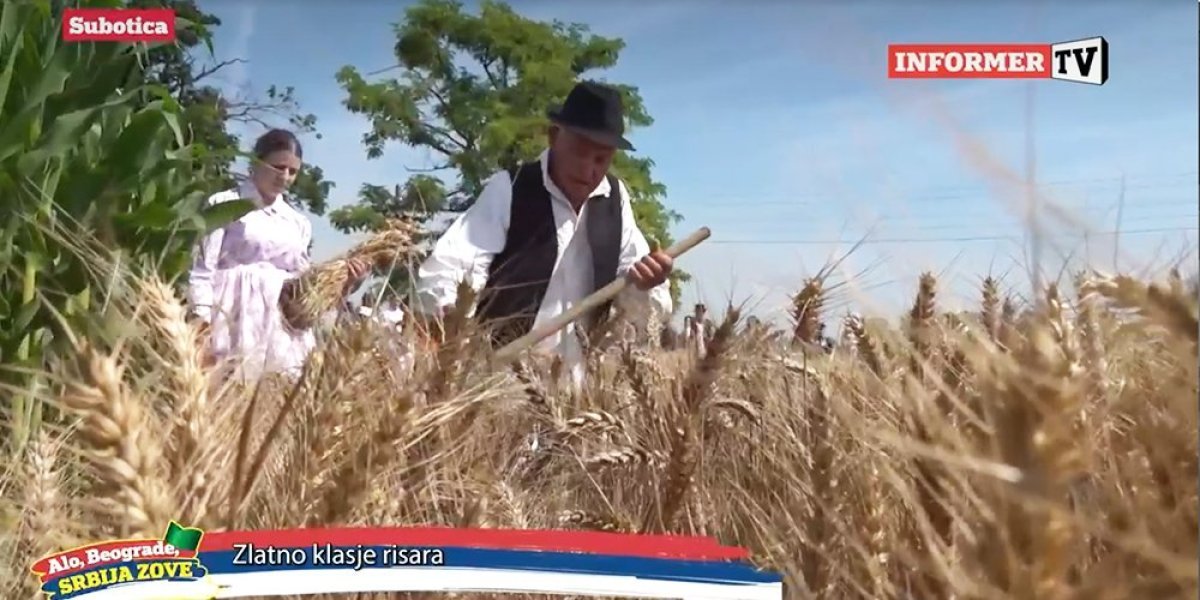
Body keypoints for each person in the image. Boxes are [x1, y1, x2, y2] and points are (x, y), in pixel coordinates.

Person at [414, 80, 674, 385]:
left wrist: (647, 282)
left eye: (601, 158)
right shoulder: (510, 188)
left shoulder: (616, 200)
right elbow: (448, 268)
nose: (588, 168)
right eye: (579, 152)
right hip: (501, 383)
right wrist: (454, 326)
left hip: (577, 387)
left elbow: (638, 291)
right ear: (554, 137)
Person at [187, 129, 370, 379]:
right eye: (278, 167)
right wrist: (201, 322)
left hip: (280, 325)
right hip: (231, 315)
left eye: (293, 171)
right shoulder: (225, 203)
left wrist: (346, 281)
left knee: (276, 394)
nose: (285, 177)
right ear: (256, 162)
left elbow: (304, 283)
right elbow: (202, 269)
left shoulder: (297, 222)